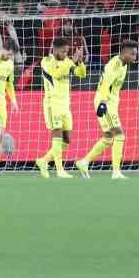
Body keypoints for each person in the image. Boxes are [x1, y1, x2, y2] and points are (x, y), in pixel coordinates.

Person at [76, 39, 137, 180]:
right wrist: (103, 103)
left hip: (112, 103)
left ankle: (84, 162)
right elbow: (104, 85)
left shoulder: (124, 63)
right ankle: (116, 172)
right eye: (133, 54)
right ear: (125, 53)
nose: (135, 57)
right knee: (119, 135)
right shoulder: (114, 65)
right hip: (105, 102)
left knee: (109, 138)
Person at [35, 36, 87, 178]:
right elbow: (57, 73)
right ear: (55, 49)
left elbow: (81, 74)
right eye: (63, 51)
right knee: (57, 134)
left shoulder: (67, 62)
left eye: (67, 52)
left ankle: (43, 160)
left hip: (65, 105)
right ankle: (59, 170)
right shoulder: (46, 62)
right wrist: (71, 61)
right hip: (52, 105)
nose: (65, 54)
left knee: (66, 140)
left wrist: (80, 61)